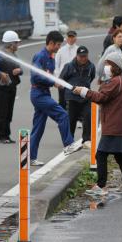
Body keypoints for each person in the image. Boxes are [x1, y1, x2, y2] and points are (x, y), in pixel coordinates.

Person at [73, 52, 122, 196]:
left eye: (108, 64)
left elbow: (101, 97)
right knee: (120, 156)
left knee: (100, 155)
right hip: (119, 126)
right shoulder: (120, 81)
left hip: (114, 126)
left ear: (115, 66)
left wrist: (84, 91)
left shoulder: (115, 81)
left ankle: (101, 186)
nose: (106, 67)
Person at [30, 31, 82, 166]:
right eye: (58, 44)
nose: (59, 47)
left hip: (44, 93)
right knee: (63, 115)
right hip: (38, 94)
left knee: (38, 127)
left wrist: (55, 82)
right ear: (51, 43)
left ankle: (30, 157)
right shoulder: (40, 56)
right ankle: (68, 144)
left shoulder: (51, 57)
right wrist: (53, 82)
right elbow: (35, 75)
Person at [0, 30, 23, 144]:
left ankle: (7, 135)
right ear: (11, 44)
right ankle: (2, 136)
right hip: (2, 88)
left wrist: (19, 71)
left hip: (12, 87)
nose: (18, 45)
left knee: (9, 113)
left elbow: (20, 70)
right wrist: (0, 73)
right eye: (16, 43)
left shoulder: (14, 55)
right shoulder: (1, 56)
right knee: (3, 112)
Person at [59, 46, 95, 149]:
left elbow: (91, 78)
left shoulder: (91, 66)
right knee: (71, 120)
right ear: (77, 56)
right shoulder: (69, 66)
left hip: (86, 96)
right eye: (81, 56)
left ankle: (86, 139)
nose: (83, 58)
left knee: (88, 117)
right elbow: (61, 80)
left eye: (85, 56)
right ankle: (69, 142)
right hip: (72, 98)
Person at [54, 30, 79, 109]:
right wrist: (58, 79)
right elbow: (56, 65)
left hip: (74, 79)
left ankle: (72, 118)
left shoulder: (78, 50)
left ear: (76, 38)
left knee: (74, 101)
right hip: (63, 79)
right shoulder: (61, 50)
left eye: (73, 37)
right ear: (66, 38)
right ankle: (63, 119)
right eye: (69, 37)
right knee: (62, 101)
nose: (71, 39)